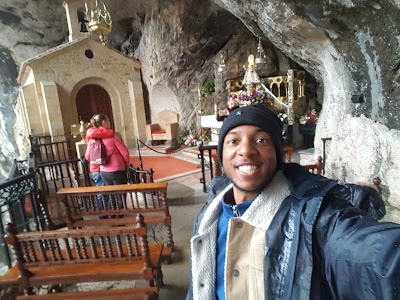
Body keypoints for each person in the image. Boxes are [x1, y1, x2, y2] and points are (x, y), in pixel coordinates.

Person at [186, 104, 400, 300]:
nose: (246, 150)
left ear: (278, 154)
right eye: (233, 140)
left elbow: (375, 254)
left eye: (261, 140)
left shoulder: (315, 217)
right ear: (221, 155)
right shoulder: (210, 212)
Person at [85, 114, 130, 209]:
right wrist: (126, 166)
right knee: (121, 194)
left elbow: (87, 156)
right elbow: (125, 153)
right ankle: (119, 216)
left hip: (103, 171)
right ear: (103, 122)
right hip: (117, 169)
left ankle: (110, 214)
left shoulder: (93, 138)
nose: (110, 122)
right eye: (108, 120)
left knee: (110, 194)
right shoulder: (113, 136)